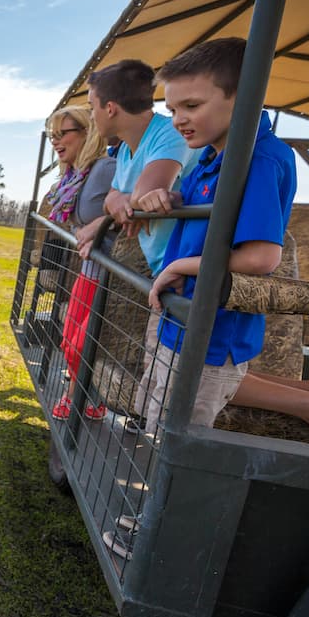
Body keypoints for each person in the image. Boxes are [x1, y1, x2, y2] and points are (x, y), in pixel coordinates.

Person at [105, 37, 298, 560]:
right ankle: (153, 519)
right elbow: (198, 218)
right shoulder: (212, 157)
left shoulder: (259, 158)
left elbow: (261, 257)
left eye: (191, 106)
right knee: (162, 425)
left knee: (183, 440)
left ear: (247, 97)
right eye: (172, 109)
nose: (180, 120)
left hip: (210, 336)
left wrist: (180, 266)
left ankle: (164, 544)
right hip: (178, 320)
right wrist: (164, 198)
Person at [85, 59, 199, 433]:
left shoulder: (166, 134)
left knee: (183, 362)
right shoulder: (129, 149)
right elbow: (119, 197)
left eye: (91, 106)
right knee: (161, 354)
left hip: (185, 265)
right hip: (164, 265)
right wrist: (117, 204)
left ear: (110, 108)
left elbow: (146, 193)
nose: (92, 115)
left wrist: (123, 202)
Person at [41, 105, 117, 420]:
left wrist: (100, 223)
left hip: (109, 276)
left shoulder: (107, 167)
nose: (56, 142)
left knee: (81, 344)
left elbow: (130, 206)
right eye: (51, 136)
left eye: (63, 134)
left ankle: (77, 397)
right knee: (70, 339)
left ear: (87, 133)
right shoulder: (75, 177)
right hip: (86, 273)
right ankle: (91, 398)